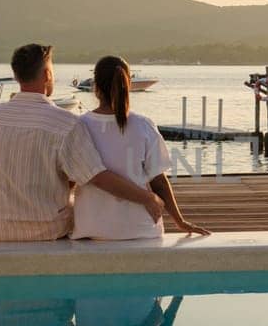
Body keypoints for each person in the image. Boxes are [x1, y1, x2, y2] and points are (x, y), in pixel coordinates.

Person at [0, 44, 164, 241]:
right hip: (46, 229)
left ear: (16, 76)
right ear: (47, 74)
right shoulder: (65, 123)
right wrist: (148, 198)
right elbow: (96, 176)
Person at [72, 55, 209, 239]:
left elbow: (69, 181)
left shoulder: (79, 126)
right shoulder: (143, 125)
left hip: (93, 229)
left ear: (95, 86)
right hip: (140, 228)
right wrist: (180, 221)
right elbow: (158, 181)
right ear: (127, 85)